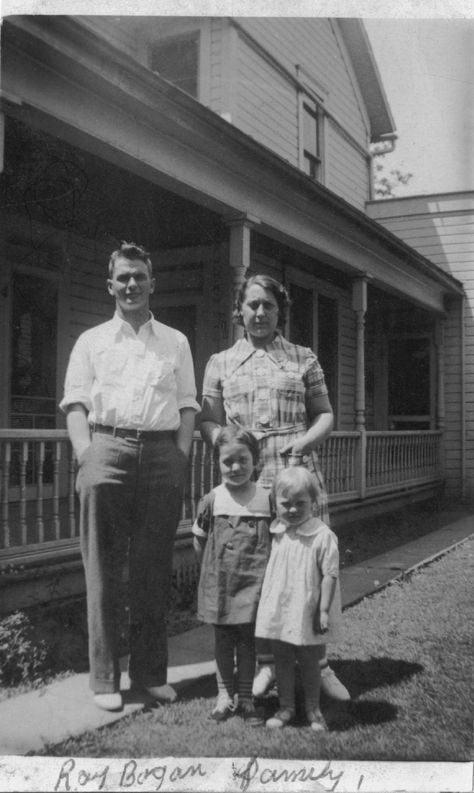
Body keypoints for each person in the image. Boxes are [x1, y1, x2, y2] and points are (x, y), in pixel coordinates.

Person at [59, 241, 199, 712]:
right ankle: (104, 679)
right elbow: (76, 405)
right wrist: (86, 455)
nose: (132, 284)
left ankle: (150, 674)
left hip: (161, 456)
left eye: (140, 276)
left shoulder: (176, 342)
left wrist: (179, 457)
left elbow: (186, 407)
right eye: (124, 277)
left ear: (152, 283)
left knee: (152, 571)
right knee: (102, 570)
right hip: (107, 450)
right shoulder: (91, 341)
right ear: (110, 286)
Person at [200, 273, 349, 702]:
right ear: (238, 312)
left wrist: (301, 443)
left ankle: (318, 665)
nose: (260, 312)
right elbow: (208, 419)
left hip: (295, 473)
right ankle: (267, 665)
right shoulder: (220, 362)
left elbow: (325, 414)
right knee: (261, 571)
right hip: (246, 480)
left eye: (268, 305)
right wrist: (227, 444)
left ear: (280, 310)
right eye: (252, 305)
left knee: (310, 567)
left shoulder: (303, 358)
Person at [193, 426, 272, 726]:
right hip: (222, 585)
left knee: (248, 642)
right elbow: (199, 541)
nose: (236, 467)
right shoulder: (212, 500)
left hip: (255, 584)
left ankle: (247, 699)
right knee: (224, 641)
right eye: (228, 461)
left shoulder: (266, 499)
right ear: (217, 463)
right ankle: (224, 697)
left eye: (243, 459)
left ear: (255, 460)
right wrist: (210, 575)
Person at [255, 466, 342, 731]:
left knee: (308, 660)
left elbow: (330, 575)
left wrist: (323, 610)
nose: (292, 509)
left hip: (307, 608)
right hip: (281, 608)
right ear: (275, 504)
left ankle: (313, 709)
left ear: (314, 502)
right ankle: (286, 707)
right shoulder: (277, 531)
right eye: (286, 504)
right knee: (281, 658)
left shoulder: (322, 535)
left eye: (300, 503)